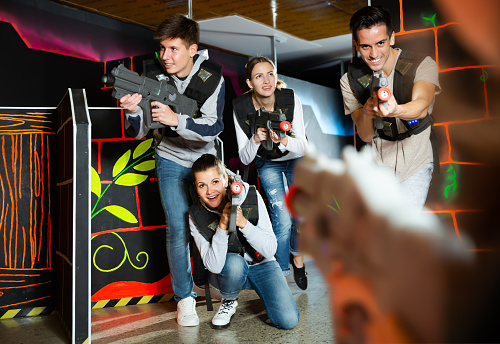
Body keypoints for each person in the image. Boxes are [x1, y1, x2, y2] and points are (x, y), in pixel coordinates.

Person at [119, 14, 225, 327]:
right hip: (169, 158)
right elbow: (139, 130)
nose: (165, 56)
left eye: (174, 49)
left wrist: (176, 119)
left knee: (211, 227)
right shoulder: (152, 75)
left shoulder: (212, 77)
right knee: (177, 228)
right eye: (162, 49)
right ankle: (184, 299)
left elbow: (213, 126)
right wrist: (133, 111)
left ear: (192, 49)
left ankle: (219, 285)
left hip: (205, 162)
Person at [340, 6, 441, 209]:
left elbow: (422, 106)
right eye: (366, 46)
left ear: (392, 38)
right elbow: (366, 136)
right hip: (378, 168)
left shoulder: (422, 64)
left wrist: (396, 110)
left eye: (380, 43)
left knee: (405, 226)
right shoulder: (349, 80)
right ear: (356, 45)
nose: (374, 53)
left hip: (416, 162)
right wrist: (368, 111)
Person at [189, 153, 299, 329]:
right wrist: (223, 226)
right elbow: (214, 266)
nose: (210, 191)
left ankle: (266, 292)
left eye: (215, 182)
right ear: (196, 188)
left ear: (226, 178)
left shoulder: (249, 194)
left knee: (288, 320)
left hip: (262, 264)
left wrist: (243, 224)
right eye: (202, 185)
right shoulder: (195, 215)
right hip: (229, 271)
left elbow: (270, 249)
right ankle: (230, 300)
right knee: (234, 263)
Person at [232, 56, 309, 289]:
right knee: (282, 219)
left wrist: (284, 140)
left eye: (270, 74)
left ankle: (297, 258)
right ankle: (281, 274)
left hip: (296, 159)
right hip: (268, 163)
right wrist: (255, 139)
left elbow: (304, 146)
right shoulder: (241, 107)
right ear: (249, 83)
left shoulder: (290, 98)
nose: (266, 81)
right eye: (259, 76)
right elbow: (245, 157)